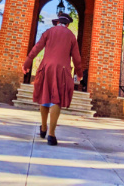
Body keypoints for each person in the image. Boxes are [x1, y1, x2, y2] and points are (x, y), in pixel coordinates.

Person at [22, 11, 83, 146]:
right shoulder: (71, 36)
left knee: (45, 97)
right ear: (67, 24)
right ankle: (51, 134)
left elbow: (36, 48)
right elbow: (76, 58)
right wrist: (79, 73)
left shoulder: (49, 32)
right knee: (56, 99)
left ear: (57, 22)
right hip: (62, 70)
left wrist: (27, 63)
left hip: (46, 68)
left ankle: (43, 128)